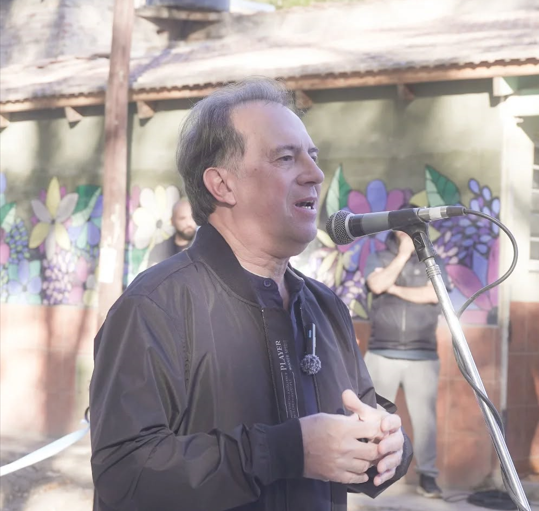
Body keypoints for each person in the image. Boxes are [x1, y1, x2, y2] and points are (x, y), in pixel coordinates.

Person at [89, 79, 412, 511]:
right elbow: (123, 474)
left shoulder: (325, 307)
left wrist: (387, 446)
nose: (315, 174)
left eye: (313, 156)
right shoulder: (154, 306)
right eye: (286, 158)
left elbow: (364, 415)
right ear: (223, 185)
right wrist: (285, 451)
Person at [364, 228, 451, 499]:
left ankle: (427, 476)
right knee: (374, 417)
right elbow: (377, 285)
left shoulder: (433, 262)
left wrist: (394, 288)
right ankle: (369, 472)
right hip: (382, 351)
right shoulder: (379, 257)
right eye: (403, 229)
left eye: (414, 230)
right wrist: (401, 257)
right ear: (394, 232)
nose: (409, 235)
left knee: (425, 420)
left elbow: (434, 295)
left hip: (422, 354)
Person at [147, 197, 197, 266]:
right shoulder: (159, 250)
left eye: (193, 217)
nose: (189, 223)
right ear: (172, 221)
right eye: (182, 218)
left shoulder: (204, 246)